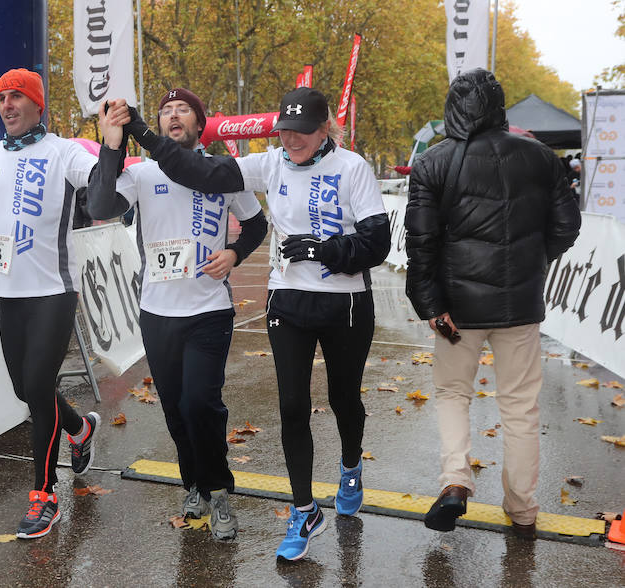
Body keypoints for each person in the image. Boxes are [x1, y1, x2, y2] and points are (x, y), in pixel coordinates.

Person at [117, 87, 390, 560]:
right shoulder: (269, 163)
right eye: (285, 130)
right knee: (291, 407)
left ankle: (349, 465)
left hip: (345, 304)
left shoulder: (353, 168)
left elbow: (378, 245)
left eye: (303, 132)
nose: (293, 139)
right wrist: (141, 130)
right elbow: (197, 169)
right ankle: (304, 510)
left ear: (325, 129)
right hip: (287, 302)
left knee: (344, 399)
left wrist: (324, 249)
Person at [0, 68, 125, 540]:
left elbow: (102, 189)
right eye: (2, 97)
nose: (8, 104)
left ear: (38, 105)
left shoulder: (62, 151)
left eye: (17, 96)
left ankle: (45, 495)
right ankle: (79, 429)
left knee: (39, 385)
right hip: (8, 293)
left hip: (54, 291)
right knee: (26, 391)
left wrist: (112, 143)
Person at [404, 69, 581, 540]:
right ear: (500, 107)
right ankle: (523, 510)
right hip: (520, 305)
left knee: (452, 395)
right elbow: (567, 227)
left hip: (455, 309)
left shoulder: (434, 163)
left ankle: (455, 482)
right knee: (521, 408)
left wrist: (429, 303)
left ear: (452, 108)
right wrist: (531, 260)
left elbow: (420, 243)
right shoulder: (543, 158)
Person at [88, 88, 267, 540]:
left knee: (201, 403)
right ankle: (194, 486)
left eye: (182, 109)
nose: (172, 116)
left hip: (209, 310)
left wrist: (234, 252)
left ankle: (219, 490)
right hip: (157, 312)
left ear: (199, 122)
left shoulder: (222, 172)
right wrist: (113, 145)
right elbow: (100, 206)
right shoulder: (144, 173)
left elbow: (257, 223)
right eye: (165, 111)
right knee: (175, 411)